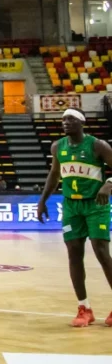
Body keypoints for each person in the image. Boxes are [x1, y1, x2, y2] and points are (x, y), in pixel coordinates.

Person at [38, 109, 112, 328]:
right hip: (71, 205)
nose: (65, 122)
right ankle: (84, 308)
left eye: (70, 119)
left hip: (95, 204)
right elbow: (54, 174)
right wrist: (43, 201)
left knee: (101, 250)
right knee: (74, 253)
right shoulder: (57, 147)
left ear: (82, 123)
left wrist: (109, 184)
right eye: (63, 120)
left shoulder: (98, 145)